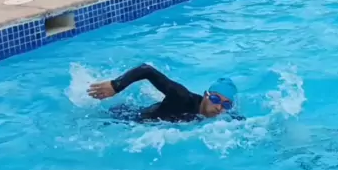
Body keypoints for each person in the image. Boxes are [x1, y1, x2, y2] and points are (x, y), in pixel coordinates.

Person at [87, 63, 238, 123]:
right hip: (127, 119)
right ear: (206, 95)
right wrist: (115, 86)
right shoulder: (182, 97)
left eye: (226, 104)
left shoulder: (222, 117)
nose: (219, 107)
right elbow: (146, 70)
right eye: (215, 99)